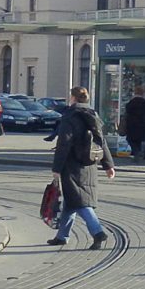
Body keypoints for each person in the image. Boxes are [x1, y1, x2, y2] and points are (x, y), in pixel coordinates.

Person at [48, 86, 116, 250]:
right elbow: (101, 141)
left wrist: (56, 168)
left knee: (80, 202)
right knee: (72, 202)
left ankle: (98, 231)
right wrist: (108, 165)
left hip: (72, 165)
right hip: (90, 164)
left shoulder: (70, 116)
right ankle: (62, 236)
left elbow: (64, 144)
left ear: (73, 98)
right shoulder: (92, 115)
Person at [124, 86, 145, 162]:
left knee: (130, 139)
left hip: (131, 123)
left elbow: (127, 110)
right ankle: (137, 152)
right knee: (139, 139)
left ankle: (136, 152)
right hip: (141, 123)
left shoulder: (132, 101)